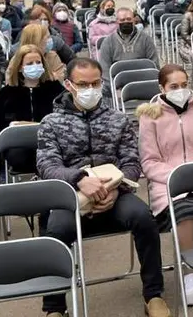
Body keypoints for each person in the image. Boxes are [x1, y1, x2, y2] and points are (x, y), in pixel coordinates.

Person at [37, 57, 170, 317]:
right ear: (68, 85)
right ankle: (54, 307)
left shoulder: (117, 120)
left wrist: (115, 189)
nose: (90, 89)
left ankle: (153, 294)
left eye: (95, 83)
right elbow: (47, 166)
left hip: (114, 192)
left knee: (144, 218)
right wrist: (79, 179)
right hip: (72, 195)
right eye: (82, 84)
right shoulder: (51, 123)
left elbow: (132, 163)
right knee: (55, 230)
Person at [137, 64, 193, 304]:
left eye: (184, 85)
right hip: (169, 184)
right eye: (173, 86)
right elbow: (149, 161)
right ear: (162, 88)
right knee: (185, 213)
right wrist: (178, 177)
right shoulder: (150, 116)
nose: (180, 90)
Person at [0, 44, 64, 173]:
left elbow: (66, 117)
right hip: (18, 146)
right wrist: (11, 125)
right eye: (30, 63)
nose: (35, 66)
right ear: (20, 67)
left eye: (38, 62)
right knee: (19, 158)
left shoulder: (55, 89)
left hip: (51, 143)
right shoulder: (7, 93)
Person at [99, 8, 159, 98]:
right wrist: (113, 88)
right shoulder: (108, 42)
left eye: (129, 19)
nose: (126, 22)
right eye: (122, 20)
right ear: (117, 21)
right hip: (118, 87)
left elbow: (154, 65)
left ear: (134, 20)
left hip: (143, 82)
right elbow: (105, 69)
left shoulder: (146, 39)